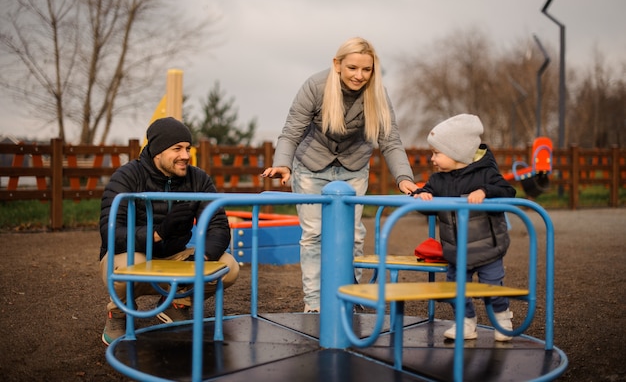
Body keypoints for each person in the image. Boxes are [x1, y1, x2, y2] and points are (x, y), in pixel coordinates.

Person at [261, 37, 418, 313]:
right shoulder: (316, 86)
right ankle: (314, 302)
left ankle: (350, 295)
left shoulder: (377, 94)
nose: (359, 75)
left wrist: (404, 178)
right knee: (314, 234)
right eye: (353, 68)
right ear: (337, 64)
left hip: (353, 166)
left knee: (354, 234)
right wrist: (283, 164)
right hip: (312, 164)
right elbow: (291, 131)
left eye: (366, 70)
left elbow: (390, 141)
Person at [98, 117, 240, 345]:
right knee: (130, 261)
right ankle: (119, 312)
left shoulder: (198, 179)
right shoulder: (127, 177)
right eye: (177, 149)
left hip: (175, 258)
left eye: (187, 148)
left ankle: (177, 305)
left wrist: (201, 257)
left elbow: (218, 227)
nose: (185, 155)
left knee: (228, 267)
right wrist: (158, 232)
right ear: (157, 151)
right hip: (131, 259)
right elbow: (111, 233)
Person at [411, 113, 516, 341]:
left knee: (492, 288)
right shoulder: (438, 181)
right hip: (456, 251)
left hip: (487, 248)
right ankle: (465, 323)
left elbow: (508, 191)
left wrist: (485, 192)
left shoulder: (486, 174)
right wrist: (423, 196)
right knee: (457, 291)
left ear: (457, 152)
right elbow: (426, 200)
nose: (432, 159)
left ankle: (502, 319)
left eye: (437, 153)